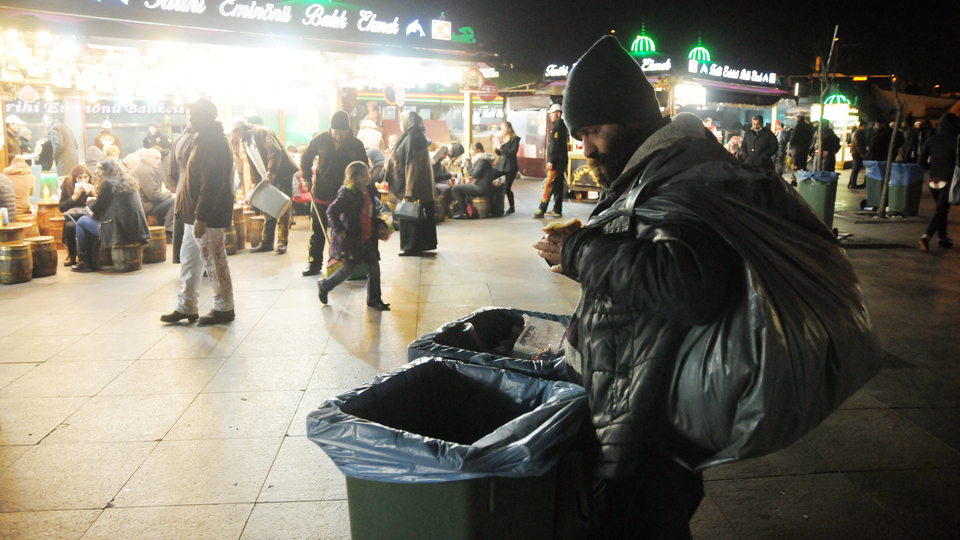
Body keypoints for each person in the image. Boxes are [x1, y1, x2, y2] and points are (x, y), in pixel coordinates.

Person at [532, 36, 878, 539]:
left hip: (645, 420)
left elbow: (688, 284)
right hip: (637, 399)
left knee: (638, 520)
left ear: (631, 118)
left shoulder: (677, 177)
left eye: (592, 130)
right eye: (579, 134)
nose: (585, 147)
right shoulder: (662, 169)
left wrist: (578, 252)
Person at [161, 99, 236, 326]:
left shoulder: (213, 142)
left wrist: (202, 216)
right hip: (193, 215)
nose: (191, 119)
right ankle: (186, 306)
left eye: (195, 115)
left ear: (208, 117)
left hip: (207, 217)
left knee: (214, 260)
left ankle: (224, 307)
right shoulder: (202, 140)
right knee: (190, 261)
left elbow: (212, 183)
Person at [300, 110, 368, 276]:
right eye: (335, 134)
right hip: (321, 193)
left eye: (342, 134)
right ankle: (314, 263)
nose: (338, 137)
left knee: (345, 232)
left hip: (346, 196)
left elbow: (363, 166)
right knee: (317, 231)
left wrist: (363, 186)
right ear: (330, 130)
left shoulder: (355, 144)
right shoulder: (321, 139)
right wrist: (307, 178)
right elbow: (306, 156)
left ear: (348, 130)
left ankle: (347, 264)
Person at [317, 161, 390, 311]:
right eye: (362, 175)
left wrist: (380, 224)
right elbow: (331, 211)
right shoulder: (347, 193)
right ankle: (325, 285)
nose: (366, 177)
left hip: (368, 237)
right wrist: (339, 229)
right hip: (353, 239)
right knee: (348, 270)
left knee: (374, 268)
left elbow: (369, 213)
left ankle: (374, 299)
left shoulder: (369, 190)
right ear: (352, 178)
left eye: (367, 173)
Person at [227, 117, 298, 254]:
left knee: (282, 208)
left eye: (235, 132)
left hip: (281, 175)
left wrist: (271, 172)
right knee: (268, 209)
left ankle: (282, 243)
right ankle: (267, 242)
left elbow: (274, 151)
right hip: (266, 178)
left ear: (241, 129)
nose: (234, 135)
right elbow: (253, 163)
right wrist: (255, 181)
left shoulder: (261, 132)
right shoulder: (245, 141)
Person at [73, 159, 151, 272]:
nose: (96, 171)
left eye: (99, 168)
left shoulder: (107, 183)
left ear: (108, 170)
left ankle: (85, 262)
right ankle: (94, 260)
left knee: (81, 221)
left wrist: (90, 200)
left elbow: (97, 208)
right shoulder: (128, 180)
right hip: (136, 228)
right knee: (90, 221)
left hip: (118, 230)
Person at [385, 111, 437, 256]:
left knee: (411, 214)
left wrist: (409, 189)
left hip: (414, 185)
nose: (400, 124)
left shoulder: (414, 137)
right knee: (415, 214)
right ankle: (417, 245)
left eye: (402, 121)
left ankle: (411, 247)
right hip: (416, 183)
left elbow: (413, 164)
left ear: (408, 121)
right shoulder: (414, 135)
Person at [916, 112, 958, 252]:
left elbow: (921, 161)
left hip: (933, 179)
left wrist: (932, 170)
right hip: (949, 179)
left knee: (942, 210)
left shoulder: (931, 139)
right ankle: (926, 237)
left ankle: (942, 238)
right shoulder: (956, 139)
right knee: (941, 211)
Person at [131, 148, 175, 240]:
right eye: (156, 158)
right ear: (147, 158)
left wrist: (164, 193)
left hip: (139, 203)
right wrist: (170, 195)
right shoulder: (145, 170)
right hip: (142, 205)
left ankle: (165, 230)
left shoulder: (145, 167)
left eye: (160, 159)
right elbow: (153, 196)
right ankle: (168, 232)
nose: (159, 162)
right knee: (174, 201)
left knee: (169, 200)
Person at [535, 103, 568, 218]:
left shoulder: (558, 126)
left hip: (556, 162)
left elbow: (555, 145)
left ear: (558, 114)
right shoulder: (561, 125)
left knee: (549, 185)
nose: (550, 116)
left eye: (552, 114)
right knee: (558, 186)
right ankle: (557, 209)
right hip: (561, 161)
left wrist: (551, 160)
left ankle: (541, 209)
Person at [59, 164, 96, 266]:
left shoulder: (93, 184)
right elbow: (62, 207)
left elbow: (99, 205)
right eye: (80, 178)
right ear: (75, 178)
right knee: (70, 226)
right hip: (73, 216)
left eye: (86, 177)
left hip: (89, 215)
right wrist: (73, 198)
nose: (83, 180)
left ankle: (89, 255)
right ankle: (72, 256)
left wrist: (94, 194)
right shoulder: (68, 185)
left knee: (87, 224)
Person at [450, 142, 495, 219]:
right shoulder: (479, 159)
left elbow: (474, 174)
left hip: (480, 187)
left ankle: (464, 213)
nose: (470, 151)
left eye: (472, 149)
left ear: (478, 150)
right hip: (479, 184)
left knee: (455, 189)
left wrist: (467, 164)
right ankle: (468, 210)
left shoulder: (482, 160)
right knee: (462, 188)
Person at [494, 121, 521, 214]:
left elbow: (512, 152)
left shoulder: (515, 139)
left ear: (509, 129)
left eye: (503, 128)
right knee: (489, 177)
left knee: (507, 187)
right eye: (501, 128)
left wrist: (501, 147)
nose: (502, 130)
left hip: (510, 166)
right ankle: (494, 203)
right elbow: (501, 153)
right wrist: (497, 150)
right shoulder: (501, 139)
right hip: (500, 165)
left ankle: (511, 207)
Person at [43, 113, 79, 177]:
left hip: (64, 161)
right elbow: (76, 145)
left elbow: (58, 145)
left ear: (47, 122)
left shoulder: (55, 127)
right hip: (74, 159)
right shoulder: (66, 127)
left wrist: (54, 157)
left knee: (63, 182)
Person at [849, 121, 868, 188]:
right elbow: (858, 144)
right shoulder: (859, 133)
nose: (865, 128)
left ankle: (851, 183)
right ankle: (852, 184)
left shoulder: (858, 133)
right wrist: (862, 153)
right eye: (864, 126)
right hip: (857, 153)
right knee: (856, 168)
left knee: (855, 168)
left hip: (856, 152)